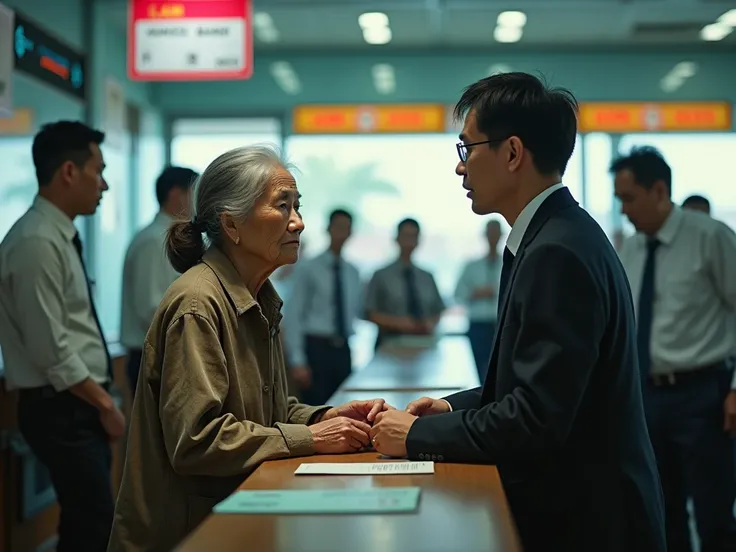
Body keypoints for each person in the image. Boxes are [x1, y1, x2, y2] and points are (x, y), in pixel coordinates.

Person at [369, 73, 666, 552]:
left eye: (467, 149)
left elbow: (535, 419)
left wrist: (420, 434)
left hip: (589, 521)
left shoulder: (557, 251)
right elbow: (532, 385)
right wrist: (451, 406)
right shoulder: (556, 234)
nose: (460, 169)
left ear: (511, 153)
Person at [108, 146, 389, 552]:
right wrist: (312, 438)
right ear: (232, 225)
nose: (299, 222)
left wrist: (328, 416)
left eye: (298, 206)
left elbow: (270, 412)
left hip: (240, 514)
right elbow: (198, 440)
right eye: (282, 206)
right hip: (187, 535)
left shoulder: (259, 297)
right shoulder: (198, 304)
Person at [0, 121, 124, 552]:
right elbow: (50, 348)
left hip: (76, 405)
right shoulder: (35, 241)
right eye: (98, 170)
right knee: (94, 523)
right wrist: (105, 403)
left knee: (84, 521)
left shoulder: (58, 235)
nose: (104, 184)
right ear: (69, 172)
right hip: (63, 407)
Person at [612, 147, 736, 552]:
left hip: (704, 394)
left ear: (660, 190)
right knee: (661, 512)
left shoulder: (710, 237)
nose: (624, 211)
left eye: (629, 199)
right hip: (647, 397)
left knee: (713, 514)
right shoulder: (630, 250)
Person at [120, 165, 199, 396]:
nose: (198, 201)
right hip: (156, 357)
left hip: (169, 355)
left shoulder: (171, 237)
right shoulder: (154, 240)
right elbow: (151, 308)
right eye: (194, 193)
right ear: (176, 194)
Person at [284, 209, 363, 405]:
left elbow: (357, 311)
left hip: (343, 349)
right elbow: (294, 315)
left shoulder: (353, 271)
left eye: (346, 228)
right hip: (316, 349)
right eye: (337, 227)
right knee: (318, 409)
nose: (341, 233)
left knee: (345, 405)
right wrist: (298, 360)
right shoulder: (308, 267)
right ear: (328, 229)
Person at [364, 218, 445, 350]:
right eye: (406, 236)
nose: (409, 241)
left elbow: (438, 309)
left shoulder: (427, 277)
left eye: (414, 236)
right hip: (390, 344)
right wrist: (398, 323)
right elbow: (370, 312)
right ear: (396, 238)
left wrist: (429, 322)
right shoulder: (381, 275)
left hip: (424, 344)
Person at [454, 219, 504, 380]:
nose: (493, 237)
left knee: (501, 369)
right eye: (490, 233)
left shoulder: (510, 263)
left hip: (502, 324)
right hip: (478, 325)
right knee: (479, 371)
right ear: (484, 235)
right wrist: (476, 293)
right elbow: (458, 295)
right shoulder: (471, 266)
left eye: (496, 233)